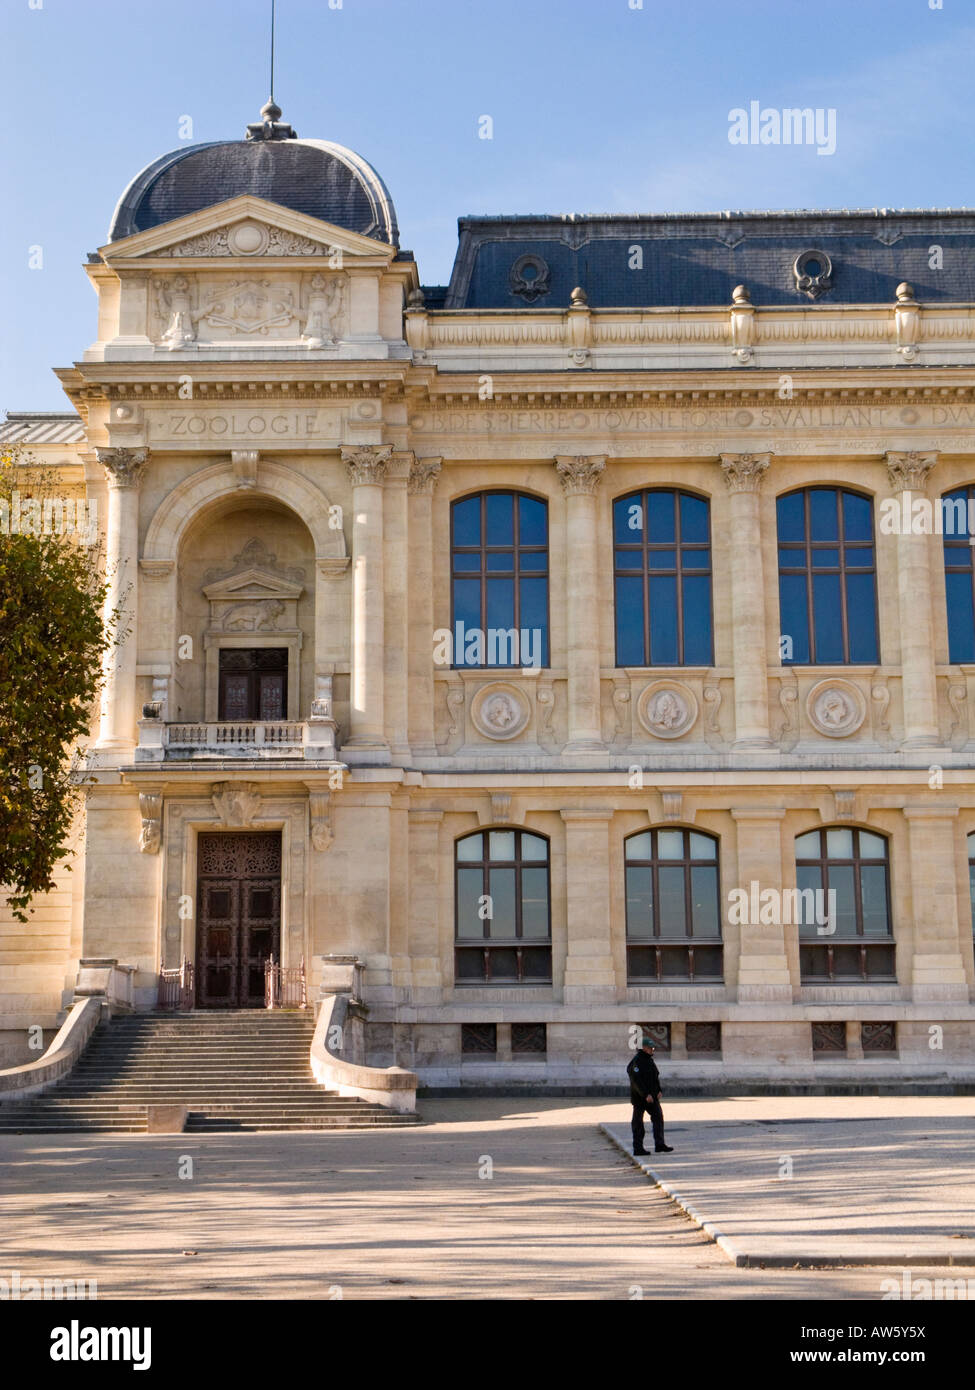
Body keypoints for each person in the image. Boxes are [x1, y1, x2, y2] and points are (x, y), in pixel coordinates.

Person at [627, 1037, 673, 1156]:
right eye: (650, 1048)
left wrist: (659, 1090)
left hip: (652, 1097)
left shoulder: (650, 1060)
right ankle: (638, 1148)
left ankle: (660, 1144)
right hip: (640, 1098)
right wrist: (645, 1094)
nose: (652, 1050)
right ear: (643, 1048)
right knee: (638, 1123)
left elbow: (655, 1077)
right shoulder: (636, 1062)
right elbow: (636, 1081)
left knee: (658, 1118)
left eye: (653, 1048)